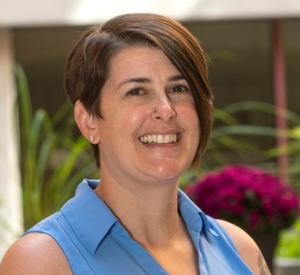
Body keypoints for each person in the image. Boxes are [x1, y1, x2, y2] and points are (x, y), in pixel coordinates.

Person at [0, 13, 271, 275]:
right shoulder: (41, 261)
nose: (165, 110)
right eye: (137, 91)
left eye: (179, 88)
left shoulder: (239, 250)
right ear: (89, 120)